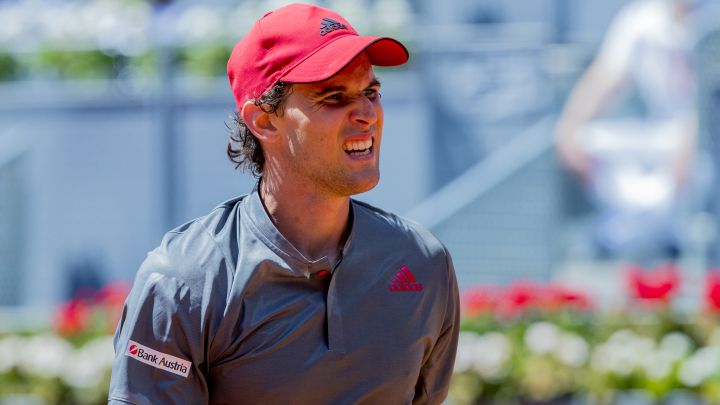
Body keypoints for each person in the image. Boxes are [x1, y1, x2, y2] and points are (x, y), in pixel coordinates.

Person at [107, 3, 460, 404]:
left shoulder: (423, 263)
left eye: (371, 91)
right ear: (263, 121)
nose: (366, 113)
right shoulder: (183, 282)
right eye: (333, 96)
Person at [554, 0, 701, 260]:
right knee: (585, 141)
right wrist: (569, 128)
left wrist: (691, 144)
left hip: (703, 148)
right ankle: (633, 240)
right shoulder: (643, 19)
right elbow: (607, 75)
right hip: (668, 141)